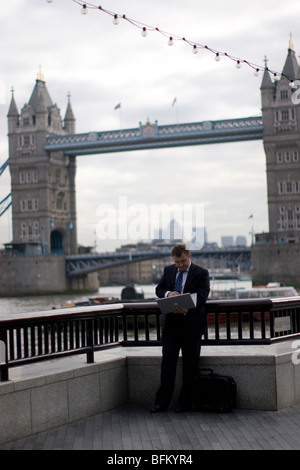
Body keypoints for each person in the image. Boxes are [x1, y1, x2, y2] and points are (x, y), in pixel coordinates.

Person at [150, 243, 210, 413]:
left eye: (183, 261)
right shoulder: (169, 271)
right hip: (171, 326)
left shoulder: (201, 273)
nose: (180, 265)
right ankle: (161, 402)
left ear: (189, 256)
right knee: (167, 364)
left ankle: (185, 403)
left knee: (190, 367)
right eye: (177, 262)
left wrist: (187, 305)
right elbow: (159, 289)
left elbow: (202, 295)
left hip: (191, 326)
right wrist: (168, 294)